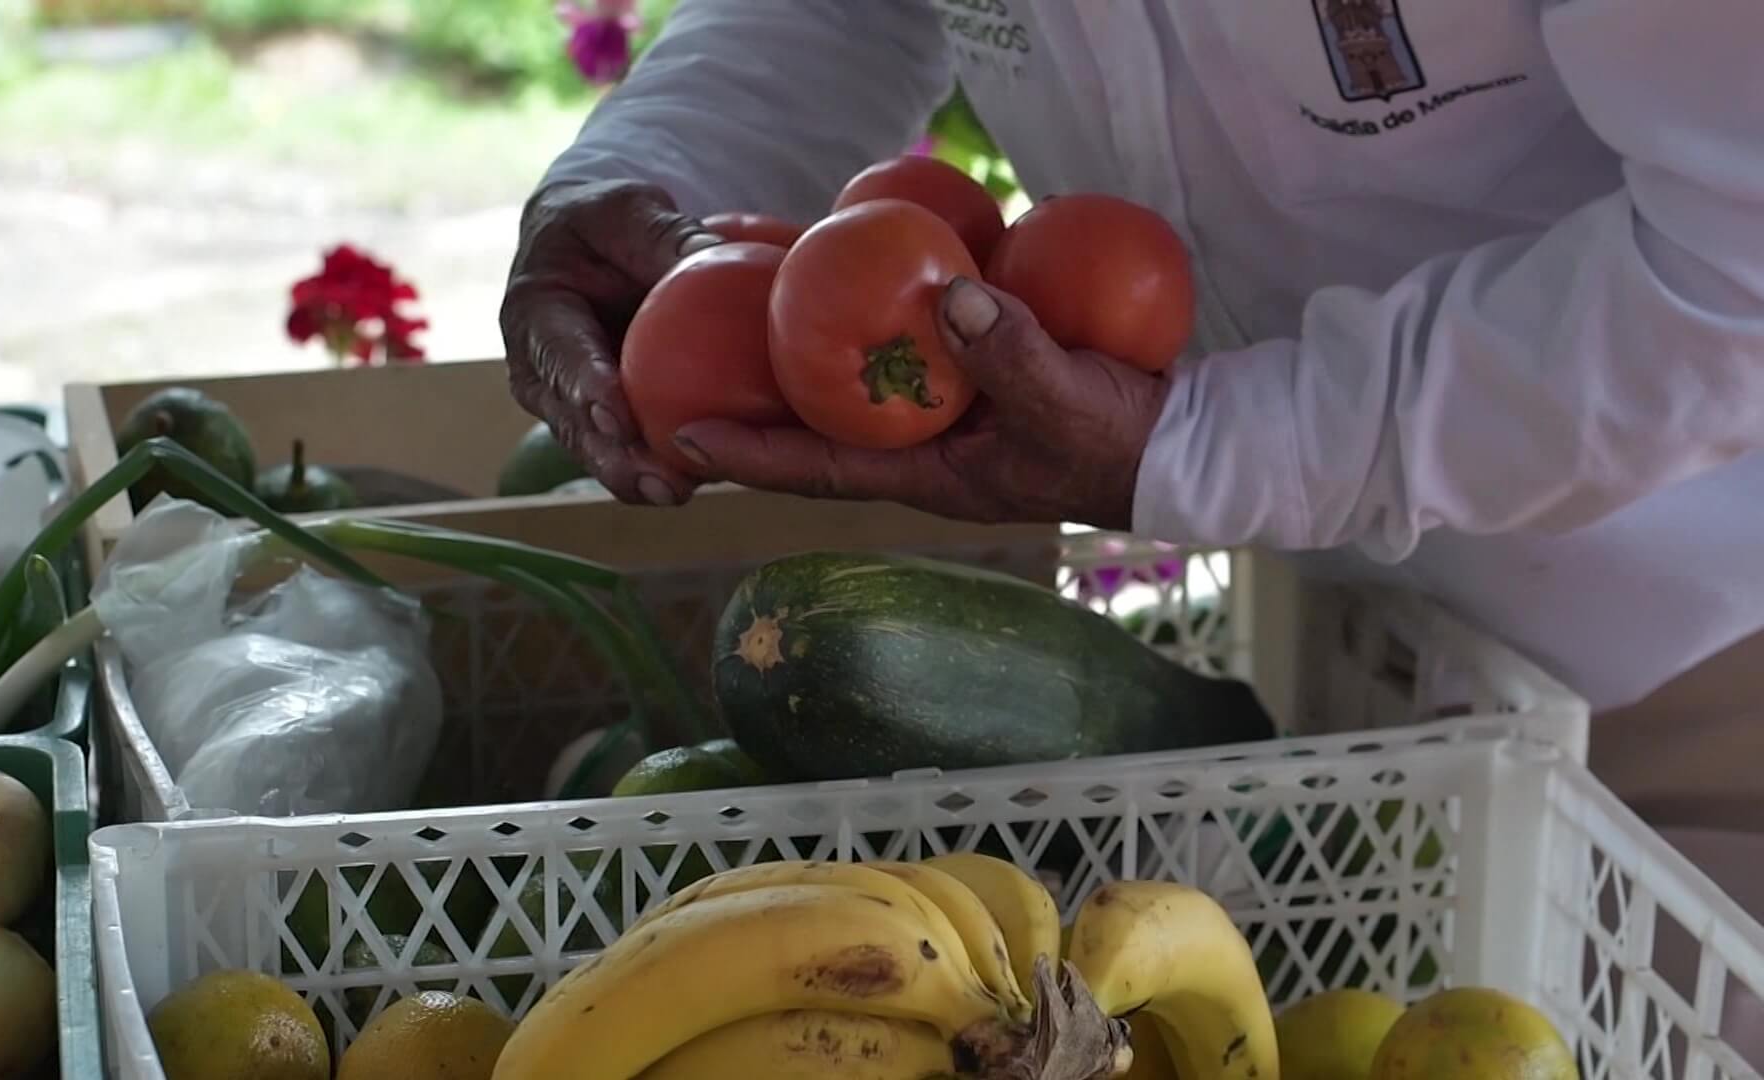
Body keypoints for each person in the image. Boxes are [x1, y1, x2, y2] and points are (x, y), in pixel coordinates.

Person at [502, 0, 1764, 1002]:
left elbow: (1736, 266)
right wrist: (654, 176)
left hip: (1705, 659)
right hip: (1347, 662)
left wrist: (1217, 442)